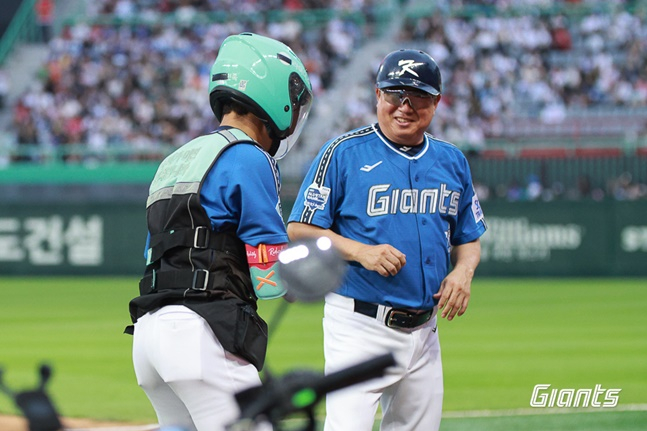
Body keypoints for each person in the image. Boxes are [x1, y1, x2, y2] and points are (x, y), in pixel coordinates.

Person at [287, 48, 487, 431]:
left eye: (418, 97)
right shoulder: (343, 153)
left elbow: (468, 236)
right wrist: (360, 251)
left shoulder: (452, 161)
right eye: (395, 94)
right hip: (359, 324)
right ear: (378, 96)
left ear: (437, 102)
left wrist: (464, 272)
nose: (405, 107)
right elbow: (300, 228)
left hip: (425, 331)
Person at [125, 33, 313, 431]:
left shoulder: (175, 160)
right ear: (276, 95)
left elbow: (153, 254)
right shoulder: (248, 156)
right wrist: (304, 275)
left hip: (149, 336)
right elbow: (269, 274)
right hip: (202, 336)